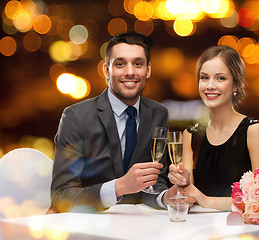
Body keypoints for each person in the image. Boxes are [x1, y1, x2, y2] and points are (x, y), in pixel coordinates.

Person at [50, 31, 174, 213]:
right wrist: (118, 187)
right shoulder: (76, 116)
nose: (130, 72)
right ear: (107, 70)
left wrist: (165, 197)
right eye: (120, 64)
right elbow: (61, 195)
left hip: (143, 225)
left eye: (138, 64)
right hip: (91, 226)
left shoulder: (159, 113)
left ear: (148, 70)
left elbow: (155, 181)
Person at [168, 45, 259, 211]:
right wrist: (183, 183)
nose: (210, 85)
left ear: (236, 85)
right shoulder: (191, 134)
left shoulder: (254, 130)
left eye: (220, 78)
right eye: (204, 78)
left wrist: (206, 200)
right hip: (201, 230)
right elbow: (189, 197)